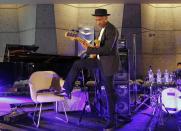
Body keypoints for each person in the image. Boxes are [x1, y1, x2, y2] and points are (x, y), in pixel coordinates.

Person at [61, 8, 119, 129]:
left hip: (107, 64)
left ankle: (112, 121)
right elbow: (98, 47)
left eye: (100, 19)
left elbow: (107, 49)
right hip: (98, 60)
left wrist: (90, 49)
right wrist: (88, 47)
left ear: (106, 18)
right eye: (96, 20)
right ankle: (67, 88)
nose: (97, 22)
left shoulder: (111, 29)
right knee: (77, 64)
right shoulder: (102, 30)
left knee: (109, 92)